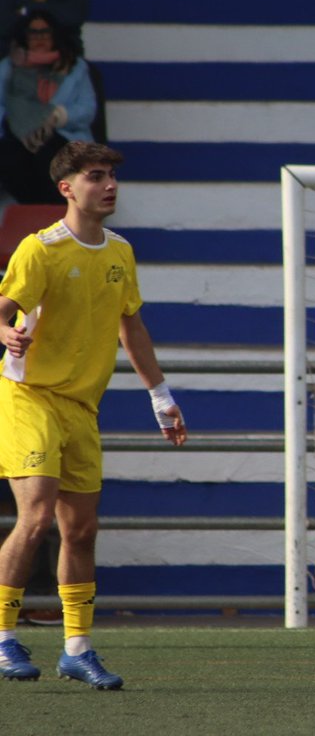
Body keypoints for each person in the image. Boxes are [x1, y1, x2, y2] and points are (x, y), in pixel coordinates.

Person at [0, 140, 186, 689]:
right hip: (28, 397)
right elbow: (4, 307)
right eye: (95, 176)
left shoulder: (120, 252)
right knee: (35, 517)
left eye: (111, 177)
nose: (109, 186)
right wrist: (4, 332)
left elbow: (133, 328)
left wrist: (161, 397)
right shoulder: (41, 249)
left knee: (80, 531)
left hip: (83, 406)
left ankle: (77, 649)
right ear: (67, 188)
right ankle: (4, 639)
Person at [0, 10, 95, 203]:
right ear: (24, 37)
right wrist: (18, 120)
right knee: (10, 157)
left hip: (64, 136)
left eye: (45, 32)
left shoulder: (75, 68)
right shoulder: (8, 67)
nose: (40, 38)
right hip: (15, 137)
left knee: (50, 155)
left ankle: (54, 213)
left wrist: (59, 116)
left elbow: (87, 108)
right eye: (33, 33)